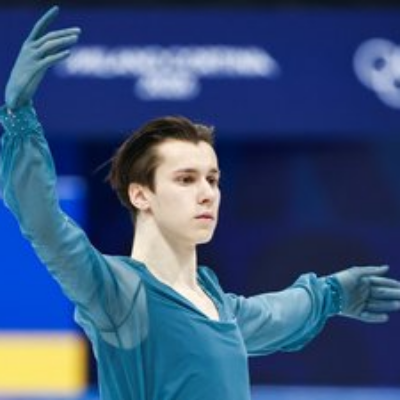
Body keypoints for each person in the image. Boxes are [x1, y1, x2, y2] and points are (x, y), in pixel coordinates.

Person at [1, 6, 400, 400]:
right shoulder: (122, 295)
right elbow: (46, 227)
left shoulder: (218, 305)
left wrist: (331, 293)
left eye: (213, 179)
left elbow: (275, 313)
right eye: (186, 179)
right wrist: (19, 119)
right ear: (141, 194)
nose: (207, 192)